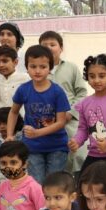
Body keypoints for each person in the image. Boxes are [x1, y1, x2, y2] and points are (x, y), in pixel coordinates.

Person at [7, 45, 71, 184]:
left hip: (57, 146)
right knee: (37, 184)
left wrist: (37, 133)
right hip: (32, 147)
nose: (37, 71)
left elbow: (61, 122)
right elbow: (13, 112)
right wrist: (9, 135)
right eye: (33, 66)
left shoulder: (57, 91)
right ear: (26, 67)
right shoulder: (23, 89)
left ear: (50, 67)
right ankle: (41, 207)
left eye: (42, 67)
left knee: (54, 184)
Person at [68, 54, 106, 172]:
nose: (96, 80)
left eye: (102, 76)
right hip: (93, 154)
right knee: (85, 184)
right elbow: (83, 129)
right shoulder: (84, 103)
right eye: (92, 76)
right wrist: (77, 141)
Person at [40, 30, 89, 174]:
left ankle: (81, 192)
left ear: (61, 48)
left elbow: (82, 93)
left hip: (71, 121)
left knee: (78, 156)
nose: (49, 48)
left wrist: (69, 113)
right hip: (47, 123)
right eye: (44, 45)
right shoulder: (36, 71)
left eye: (52, 44)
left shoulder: (71, 68)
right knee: (56, 163)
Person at [0, 22, 26, 116]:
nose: (5, 37)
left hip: (23, 112)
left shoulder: (26, 57)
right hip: (2, 112)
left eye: (9, 34)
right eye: (1, 34)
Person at [0, 45, 30, 112]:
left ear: (15, 62)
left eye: (5, 61)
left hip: (22, 119)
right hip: (3, 119)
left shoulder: (26, 79)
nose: (1, 65)